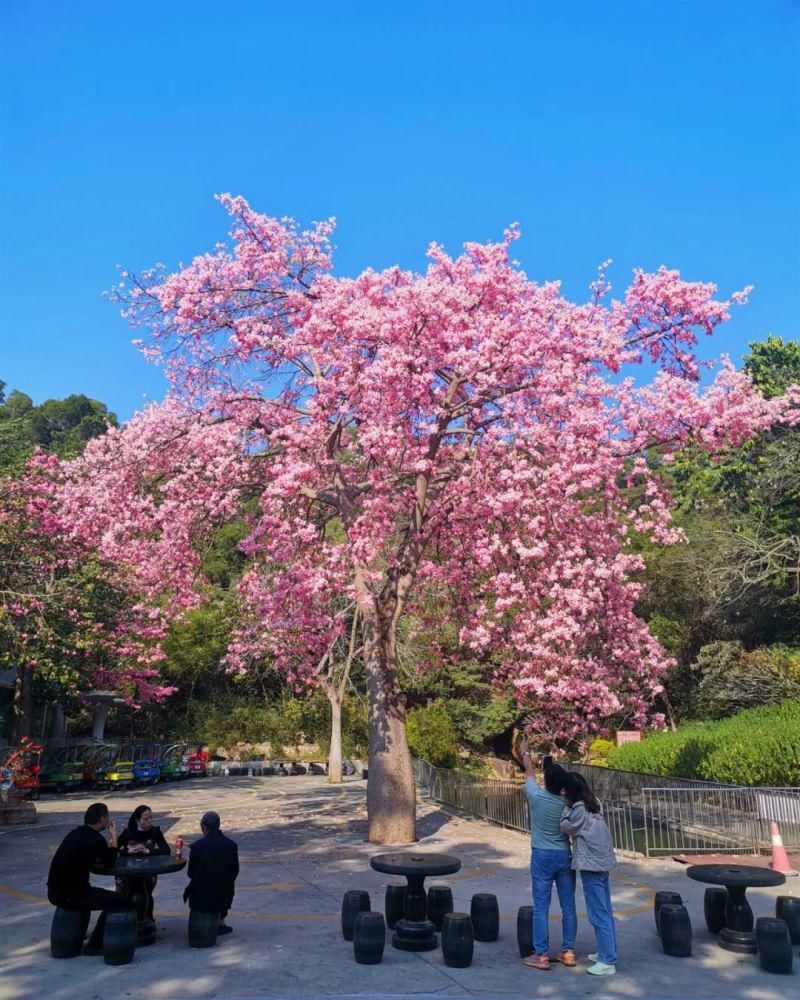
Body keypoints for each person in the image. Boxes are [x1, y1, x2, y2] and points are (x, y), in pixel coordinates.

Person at [47, 802, 135, 955]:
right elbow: (109, 862)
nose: (108, 820)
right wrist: (114, 837)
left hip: (55, 892)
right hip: (74, 895)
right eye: (107, 817)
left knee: (100, 895)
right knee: (122, 901)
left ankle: (78, 938)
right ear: (101, 819)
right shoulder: (95, 839)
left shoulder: (75, 833)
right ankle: (96, 944)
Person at [519, 738, 577, 971]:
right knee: (568, 906)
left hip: (542, 855)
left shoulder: (536, 796)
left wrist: (525, 753)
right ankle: (569, 951)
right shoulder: (568, 803)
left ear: (547, 781)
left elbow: (529, 772)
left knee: (541, 906)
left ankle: (541, 954)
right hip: (564, 855)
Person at [561, 772, 618, 977]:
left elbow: (565, 827)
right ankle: (607, 951)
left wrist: (565, 807)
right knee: (605, 910)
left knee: (598, 913)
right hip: (602, 863)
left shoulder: (578, 810)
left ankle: (607, 960)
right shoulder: (595, 803)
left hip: (591, 866)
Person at [183, 810, 239, 935]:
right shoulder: (231, 845)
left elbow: (191, 873)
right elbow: (234, 871)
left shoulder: (197, 846)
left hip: (201, 893)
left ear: (204, 827)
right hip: (224, 892)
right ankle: (220, 921)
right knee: (225, 884)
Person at [116, 804, 171, 920]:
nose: (149, 821)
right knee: (126, 892)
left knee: (146, 892)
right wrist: (128, 851)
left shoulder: (155, 831)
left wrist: (148, 851)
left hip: (148, 869)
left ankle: (148, 919)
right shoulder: (128, 832)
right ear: (137, 820)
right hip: (128, 869)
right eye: (146, 819)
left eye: (151, 817)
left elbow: (166, 850)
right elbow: (115, 849)